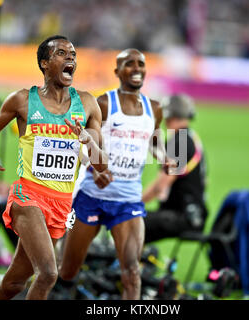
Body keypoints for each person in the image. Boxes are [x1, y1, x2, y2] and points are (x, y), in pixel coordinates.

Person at [0, 35, 108, 300]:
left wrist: (89, 140)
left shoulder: (89, 104)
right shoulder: (22, 100)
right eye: (61, 53)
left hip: (61, 203)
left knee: (14, 283)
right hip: (27, 196)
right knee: (47, 273)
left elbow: (101, 164)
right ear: (44, 63)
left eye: (73, 54)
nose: (70, 58)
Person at [57, 48, 176, 300]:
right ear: (117, 71)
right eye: (129, 64)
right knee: (67, 272)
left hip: (127, 200)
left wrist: (164, 157)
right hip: (92, 195)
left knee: (132, 272)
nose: (136, 69)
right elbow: (83, 145)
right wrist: (93, 167)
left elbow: (153, 139)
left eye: (140, 64)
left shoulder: (154, 108)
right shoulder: (104, 104)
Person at [143, 94, 208, 243]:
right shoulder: (190, 137)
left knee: (131, 220)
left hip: (184, 217)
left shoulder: (180, 142)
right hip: (194, 214)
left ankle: (127, 264)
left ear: (170, 116)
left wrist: (135, 202)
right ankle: (137, 261)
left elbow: (160, 187)